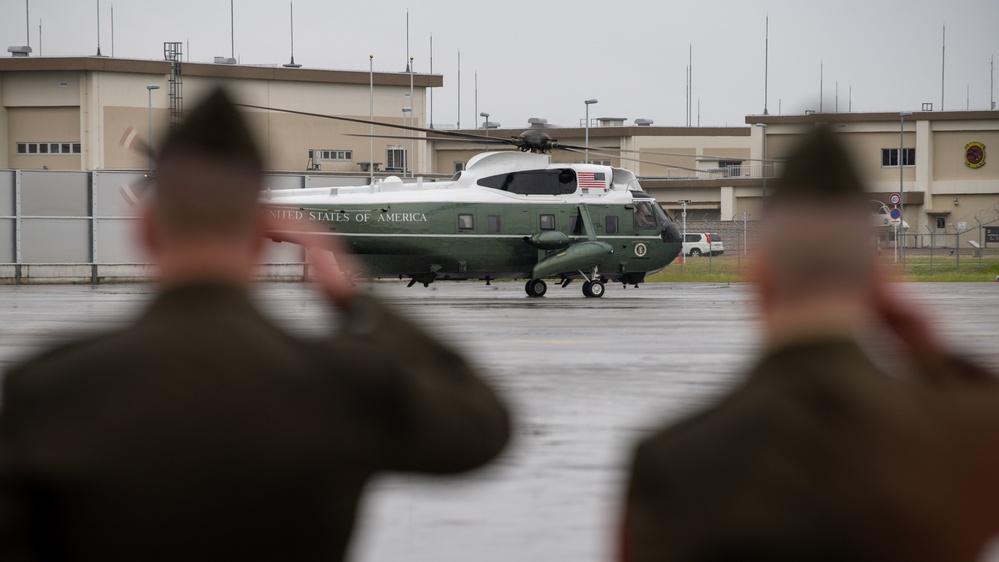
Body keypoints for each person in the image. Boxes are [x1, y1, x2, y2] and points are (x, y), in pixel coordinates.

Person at [0, 89, 510, 561]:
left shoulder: (47, 388)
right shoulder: (344, 380)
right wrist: (353, 301)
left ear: (147, 228)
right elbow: (482, 428)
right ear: (261, 232)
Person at [622, 126, 999, 562]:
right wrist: (927, 345)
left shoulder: (671, 460)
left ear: (760, 278)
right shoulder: (961, 436)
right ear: (878, 284)